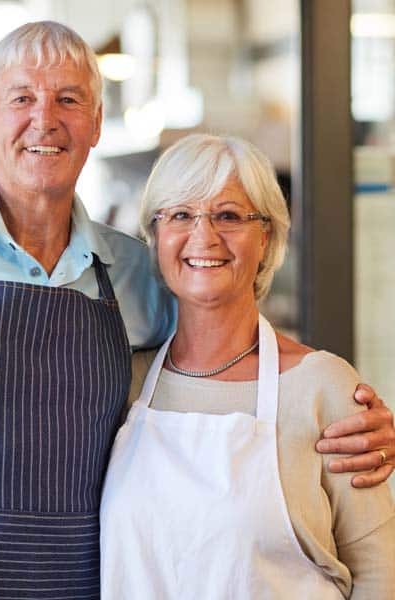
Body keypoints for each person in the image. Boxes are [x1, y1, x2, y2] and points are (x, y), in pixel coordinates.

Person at [0, 21, 392, 600]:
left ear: (97, 122)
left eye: (69, 99)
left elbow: (219, 364)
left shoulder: (137, 272)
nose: (44, 119)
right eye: (21, 97)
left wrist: (348, 412)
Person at [99, 133, 395, 599]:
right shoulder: (122, 383)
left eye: (229, 215)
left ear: (267, 237)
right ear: (155, 238)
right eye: (180, 215)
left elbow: (379, 571)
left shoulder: (322, 387)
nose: (204, 236)